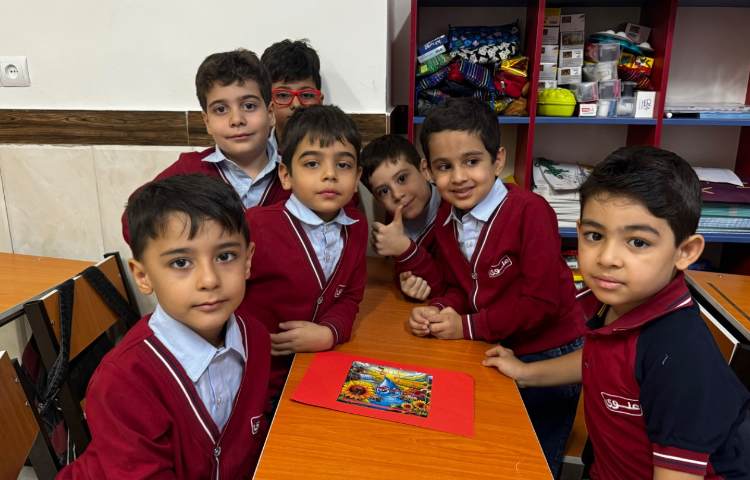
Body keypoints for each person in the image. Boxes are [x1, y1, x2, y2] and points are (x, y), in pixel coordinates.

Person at [484, 146, 750, 479]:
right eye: (595, 236)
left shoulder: (680, 356)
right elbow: (600, 361)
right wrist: (525, 372)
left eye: (638, 242)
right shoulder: (616, 301)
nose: (607, 258)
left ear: (685, 251)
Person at [409, 97, 584, 477]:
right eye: (444, 166)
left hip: (549, 354)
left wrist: (466, 326)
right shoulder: (447, 216)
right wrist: (439, 309)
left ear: (498, 160)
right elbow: (460, 287)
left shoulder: (530, 211)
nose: (459, 177)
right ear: (427, 170)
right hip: (496, 346)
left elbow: (540, 302)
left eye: (471, 161)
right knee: (494, 454)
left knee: (534, 459)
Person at [60, 174, 271, 479]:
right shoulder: (123, 380)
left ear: (248, 260)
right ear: (143, 276)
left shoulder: (256, 338)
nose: (209, 280)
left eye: (225, 256)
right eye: (181, 263)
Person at [237, 105, 366, 410]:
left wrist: (330, 333)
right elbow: (225, 297)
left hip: (317, 369)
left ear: (357, 177)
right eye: (312, 163)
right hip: (256, 378)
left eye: (343, 165)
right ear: (286, 175)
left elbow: (351, 296)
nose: (330, 174)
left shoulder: (356, 228)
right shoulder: (256, 225)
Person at [121, 48, 287, 244]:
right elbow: (132, 222)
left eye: (249, 106)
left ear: (270, 114)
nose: (236, 120)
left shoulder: (297, 173)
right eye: (221, 109)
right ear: (207, 121)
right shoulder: (188, 171)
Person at [361, 134, 443, 301]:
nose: (397, 195)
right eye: (384, 191)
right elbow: (403, 271)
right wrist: (406, 283)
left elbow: (449, 285)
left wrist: (404, 248)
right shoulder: (394, 218)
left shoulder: (452, 212)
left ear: (424, 170)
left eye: (402, 178)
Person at [261, 39, 324, 146]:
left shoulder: (337, 149)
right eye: (283, 95)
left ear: (320, 101)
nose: (296, 104)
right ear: (267, 103)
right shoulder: (256, 152)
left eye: (306, 95)